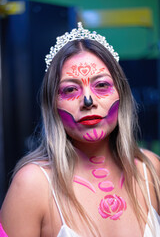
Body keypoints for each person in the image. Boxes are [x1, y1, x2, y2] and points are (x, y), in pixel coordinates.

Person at [0, 22, 160, 237]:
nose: (88, 100)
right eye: (70, 89)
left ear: (121, 94)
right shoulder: (32, 184)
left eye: (101, 85)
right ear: (52, 104)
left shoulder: (150, 169)